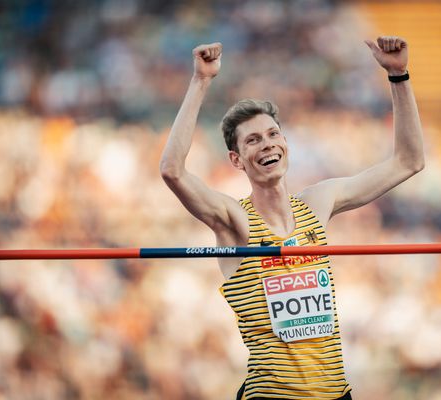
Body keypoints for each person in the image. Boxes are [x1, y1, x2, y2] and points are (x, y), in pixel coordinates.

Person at [160, 36, 424, 400]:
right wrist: (201, 80)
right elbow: (173, 171)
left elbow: (409, 161)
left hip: (335, 394)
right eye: (252, 140)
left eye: (273, 134)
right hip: (274, 395)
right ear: (236, 160)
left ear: (285, 143)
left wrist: (399, 76)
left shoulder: (316, 204)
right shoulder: (234, 221)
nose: (267, 144)